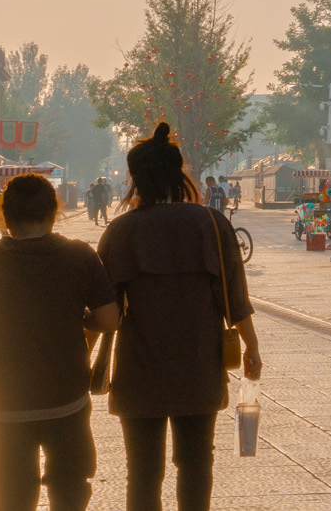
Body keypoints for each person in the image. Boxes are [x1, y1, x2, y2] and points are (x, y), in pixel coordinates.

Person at [99, 124, 262, 511]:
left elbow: (105, 310)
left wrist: (81, 358)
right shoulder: (211, 224)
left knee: (142, 472)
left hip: (140, 372)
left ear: (135, 179)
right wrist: (252, 346)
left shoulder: (122, 231)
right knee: (195, 464)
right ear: (180, 173)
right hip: (198, 367)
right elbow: (235, 298)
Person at [0, 174, 119, 511]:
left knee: (13, 499)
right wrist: (81, 321)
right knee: (69, 492)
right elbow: (109, 319)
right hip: (68, 399)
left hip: (8, 404)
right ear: (54, 212)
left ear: (5, 217)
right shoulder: (79, 256)